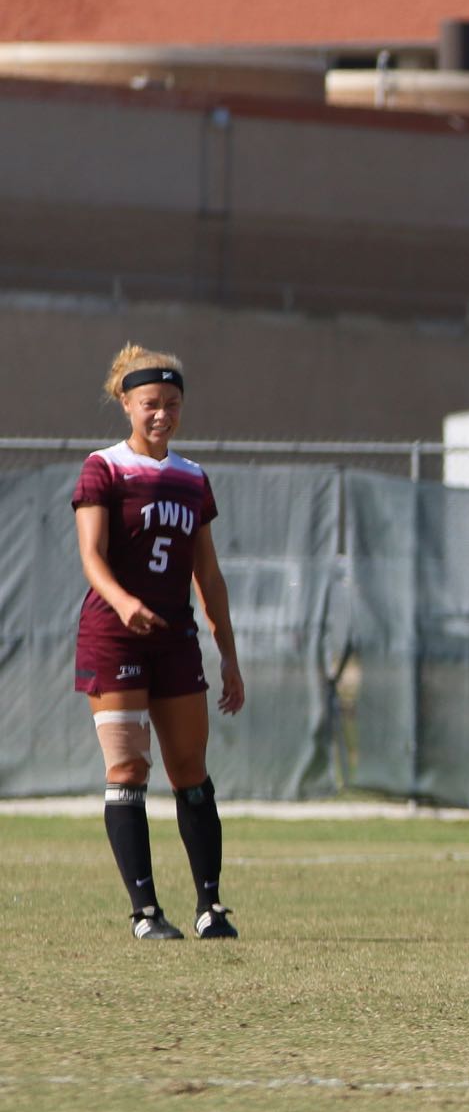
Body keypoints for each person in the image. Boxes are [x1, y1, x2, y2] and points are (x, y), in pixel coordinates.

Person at [72, 345, 245, 940]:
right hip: (113, 637)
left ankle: (210, 907)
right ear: (126, 403)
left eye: (172, 404)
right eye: (150, 404)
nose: (161, 415)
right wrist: (125, 604)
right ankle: (146, 913)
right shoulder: (105, 467)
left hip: (174, 639)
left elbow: (210, 576)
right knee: (127, 768)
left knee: (191, 770)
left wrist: (229, 656)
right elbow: (92, 558)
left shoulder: (193, 477)